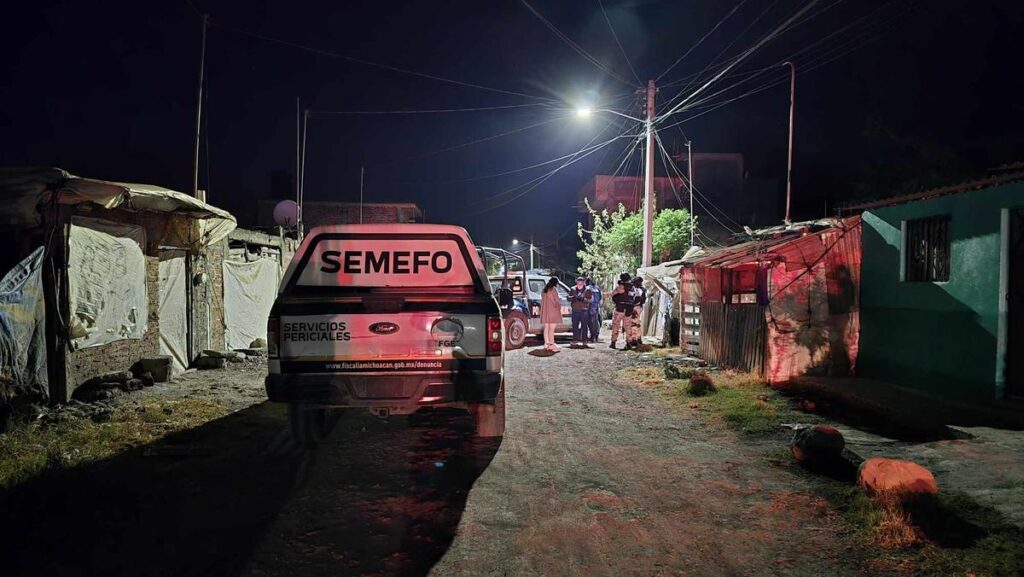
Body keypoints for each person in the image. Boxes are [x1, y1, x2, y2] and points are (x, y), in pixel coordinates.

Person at [609, 272, 634, 349]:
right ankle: (629, 343)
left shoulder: (620, 287)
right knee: (628, 326)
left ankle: (613, 342)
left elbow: (613, 294)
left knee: (616, 325)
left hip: (620, 308)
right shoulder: (632, 287)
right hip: (629, 309)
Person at [566, 276, 593, 349]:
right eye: (578, 281)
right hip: (575, 310)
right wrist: (573, 298)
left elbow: (590, 300)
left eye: (581, 281)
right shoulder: (573, 289)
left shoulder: (587, 290)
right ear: (576, 282)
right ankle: (575, 340)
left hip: (584, 311)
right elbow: (568, 298)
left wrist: (583, 299)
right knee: (575, 326)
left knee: (584, 326)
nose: (580, 283)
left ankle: (584, 341)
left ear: (584, 282)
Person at [539, 277, 562, 353]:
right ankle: (552, 345)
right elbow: (557, 300)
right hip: (553, 311)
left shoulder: (544, 290)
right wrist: (560, 300)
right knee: (552, 329)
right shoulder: (553, 289)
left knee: (546, 328)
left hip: (545, 312)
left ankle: (546, 344)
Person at [627, 276, 647, 349]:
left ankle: (635, 340)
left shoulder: (639, 290)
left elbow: (640, 299)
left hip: (636, 307)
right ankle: (635, 339)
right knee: (634, 324)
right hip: (635, 307)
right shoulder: (634, 289)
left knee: (635, 324)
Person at [585, 276, 602, 343]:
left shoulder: (587, 288)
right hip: (596, 306)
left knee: (590, 322)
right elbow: (600, 297)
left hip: (589, 306)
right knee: (596, 322)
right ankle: (596, 336)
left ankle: (592, 336)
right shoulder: (597, 288)